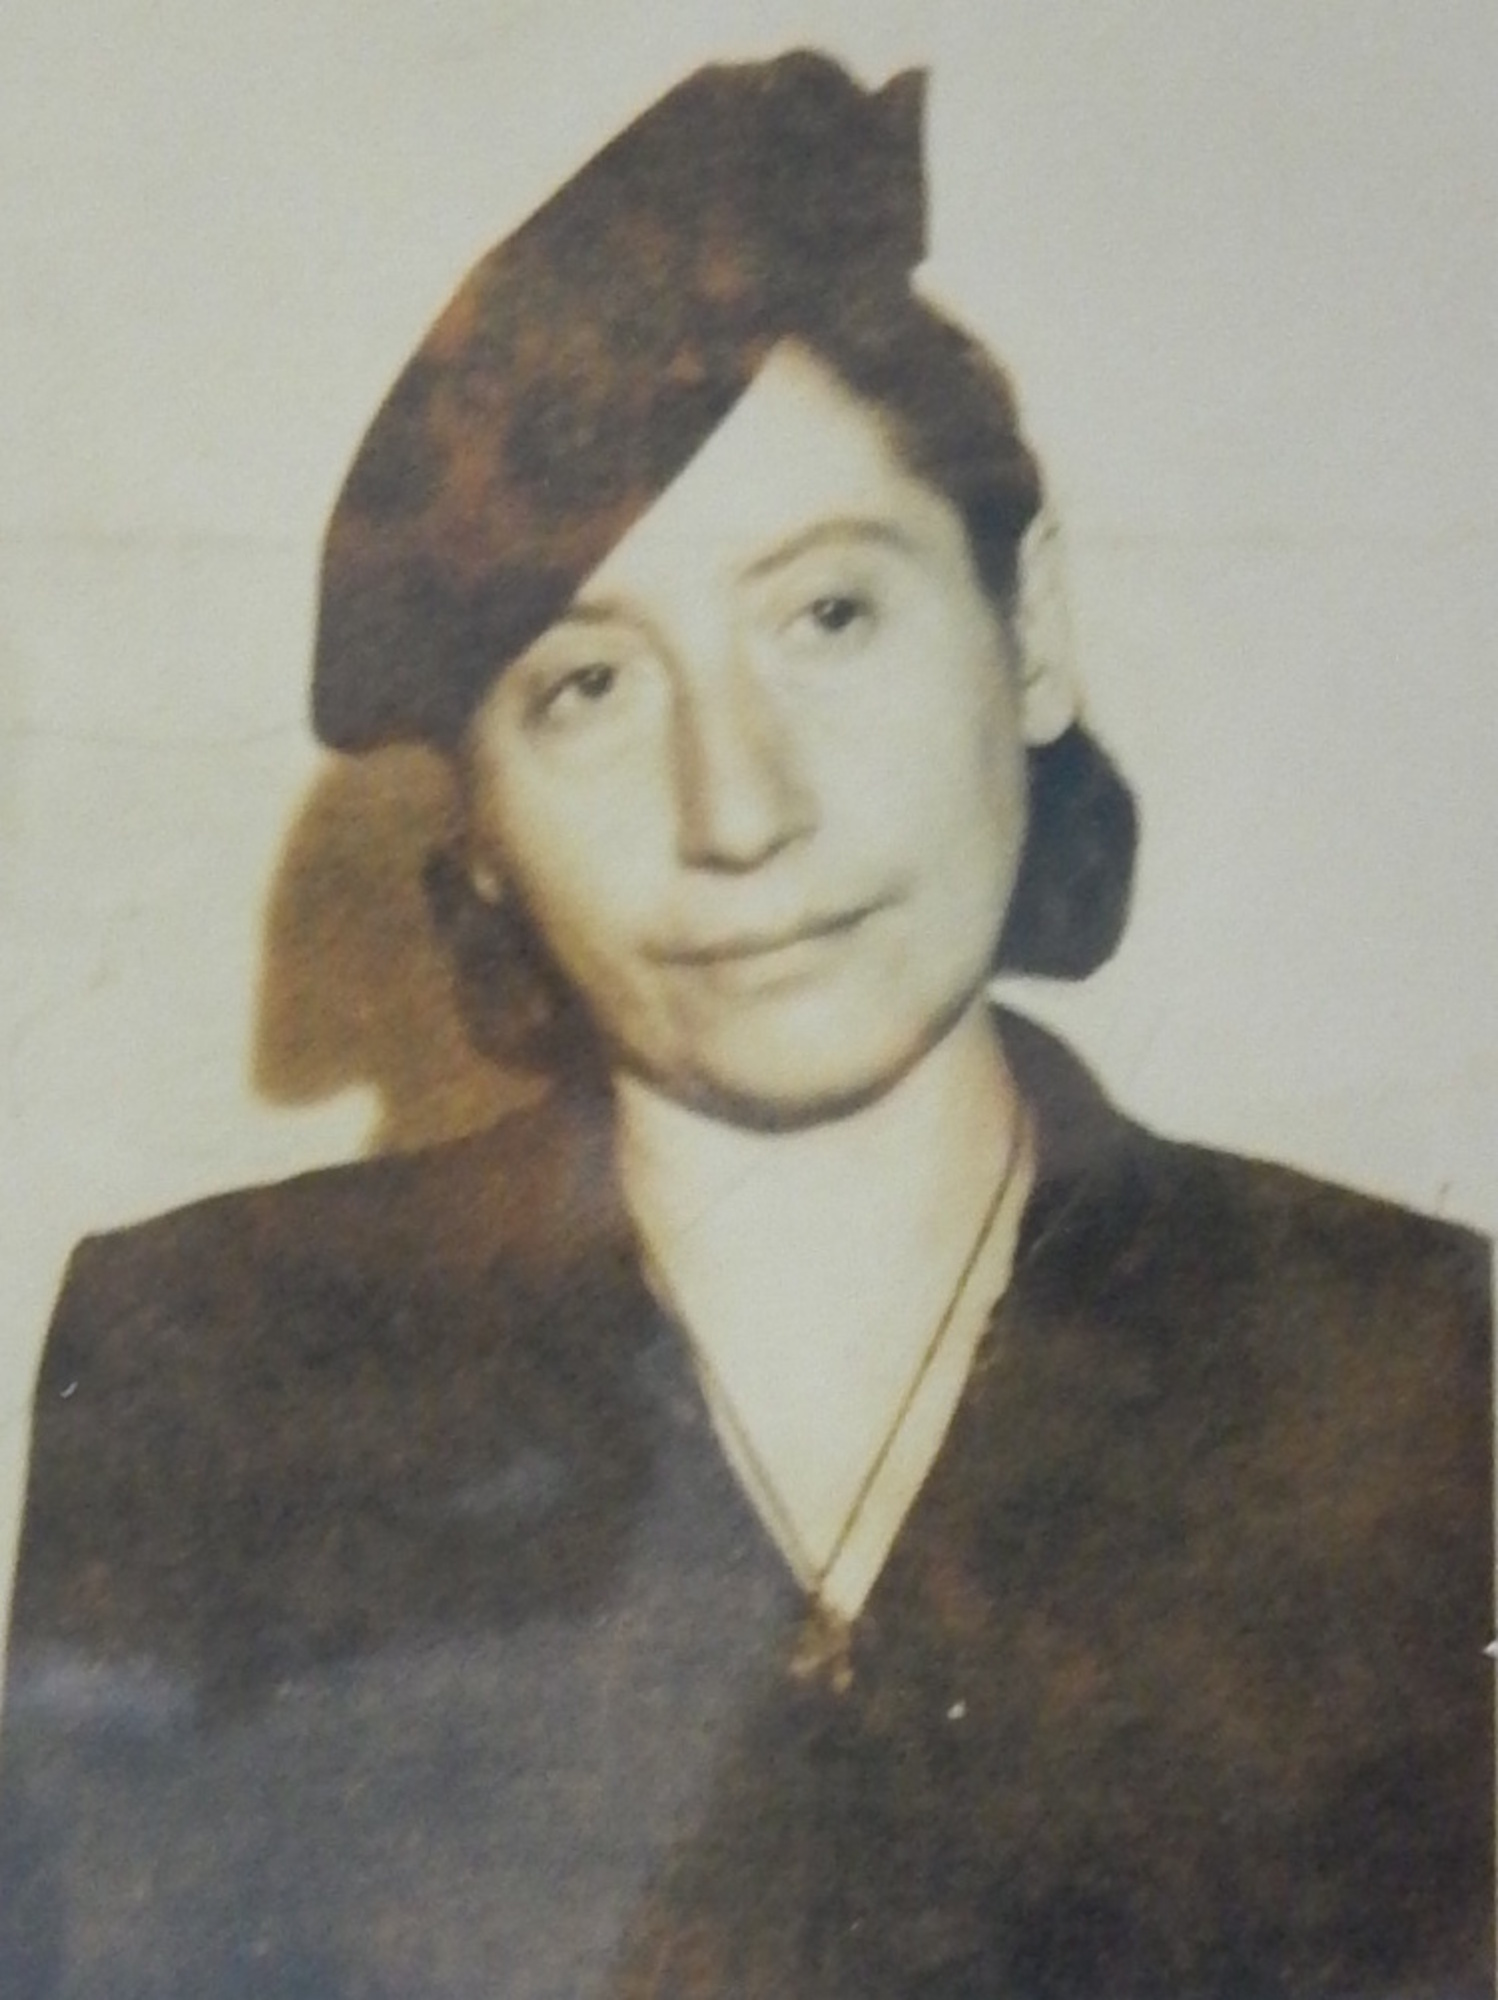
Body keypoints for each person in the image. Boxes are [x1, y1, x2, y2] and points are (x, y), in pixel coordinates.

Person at [0, 51, 1490, 2000]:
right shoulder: (215, 1371)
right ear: (478, 827)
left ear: (1027, 631)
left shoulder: (1396, 1360)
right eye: (589, 687)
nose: (740, 806)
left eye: (828, 617)